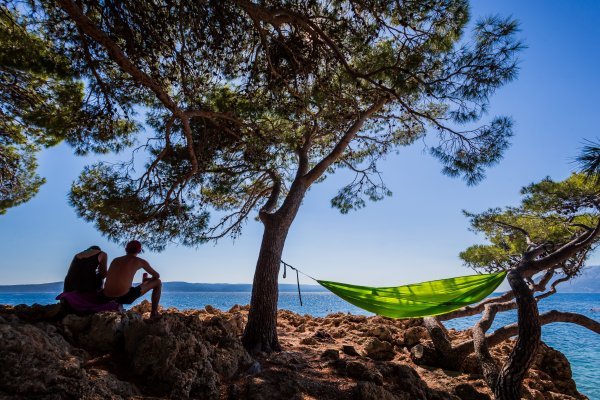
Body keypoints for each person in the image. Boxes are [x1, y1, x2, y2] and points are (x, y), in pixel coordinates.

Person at [102, 240, 162, 317]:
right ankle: (154, 313)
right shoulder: (140, 261)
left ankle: (115, 305)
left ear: (126, 249)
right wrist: (147, 280)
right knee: (158, 282)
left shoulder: (115, 260)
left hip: (106, 296)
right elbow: (157, 276)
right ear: (139, 251)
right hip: (124, 297)